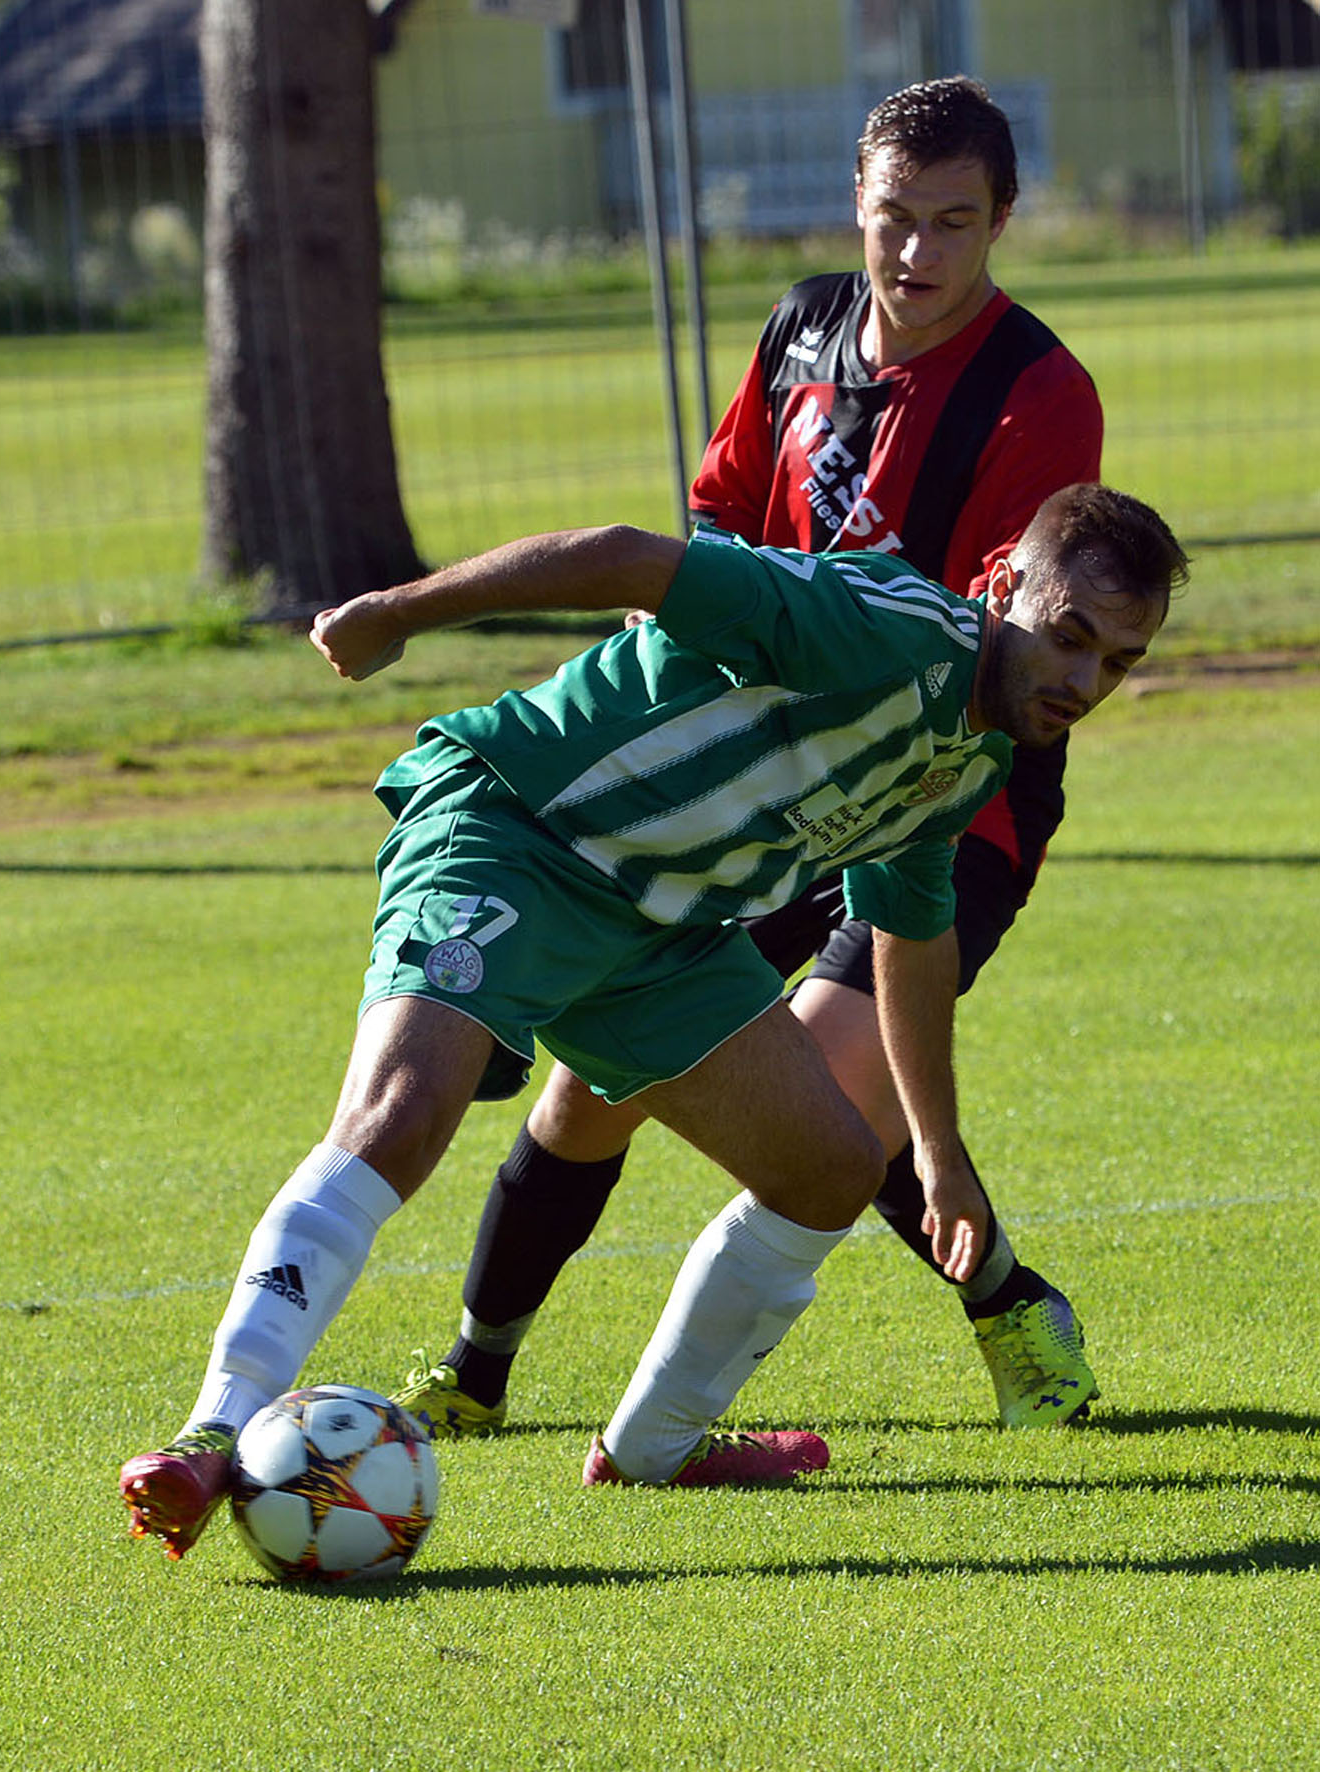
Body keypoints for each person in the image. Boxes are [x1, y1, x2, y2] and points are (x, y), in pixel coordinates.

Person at [120, 483, 1186, 1553]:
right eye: (1068, 637)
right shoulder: (879, 625)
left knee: (829, 1168)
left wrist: (940, 1154)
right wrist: (396, 610)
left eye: (1117, 662)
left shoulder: (978, 755)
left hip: (659, 929)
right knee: (399, 1116)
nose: (1082, 682)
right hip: (519, 828)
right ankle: (212, 1429)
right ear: (1002, 585)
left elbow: (910, 931)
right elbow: (629, 556)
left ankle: (651, 1449)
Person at [393, 75, 1111, 1441]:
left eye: (953, 223)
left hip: (942, 791)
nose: (914, 251)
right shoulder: (800, 327)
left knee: (832, 1094)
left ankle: (998, 1306)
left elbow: (1000, 623)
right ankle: (475, 1374)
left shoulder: (1038, 390)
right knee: (596, 1082)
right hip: (762, 779)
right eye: (892, 216)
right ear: (855, 201)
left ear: (1002, 220)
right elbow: (718, 512)